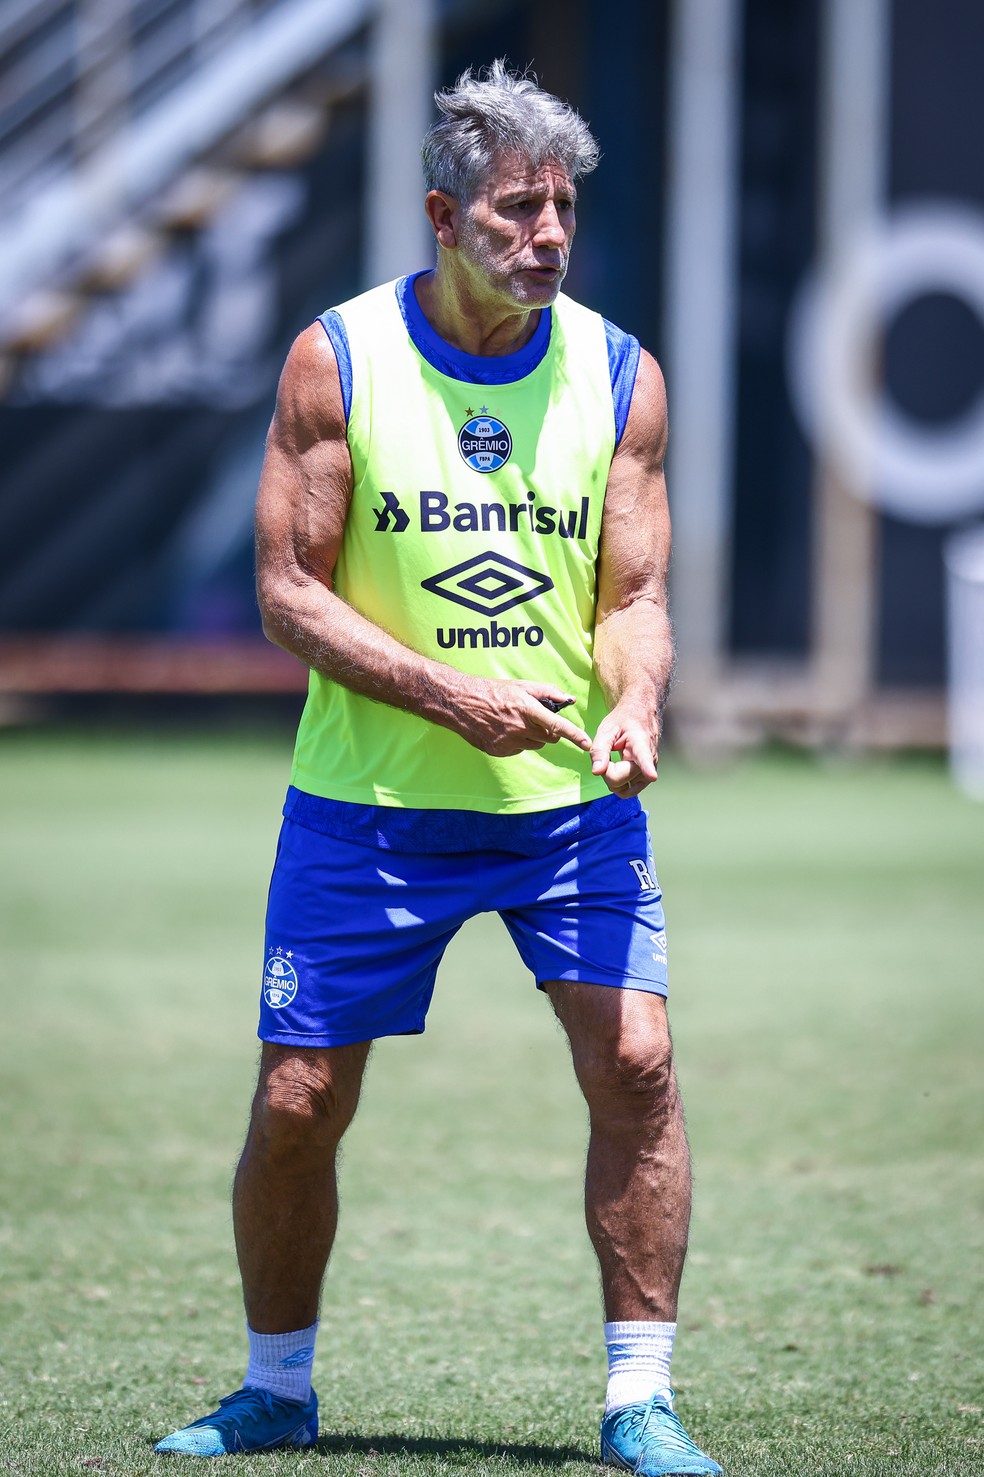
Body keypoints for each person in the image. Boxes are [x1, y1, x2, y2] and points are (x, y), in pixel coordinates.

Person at [155, 61, 721, 1477]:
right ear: (440, 212)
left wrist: (639, 701)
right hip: (374, 804)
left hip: (565, 807)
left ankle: (638, 1399)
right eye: (517, 209)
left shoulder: (618, 373)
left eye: (564, 210)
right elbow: (288, 590)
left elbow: (634, 593)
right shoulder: (336, 359)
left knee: (639, 1066)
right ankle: (276, 1386)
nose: (547, 237)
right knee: (298, 1099)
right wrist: (443, 689)